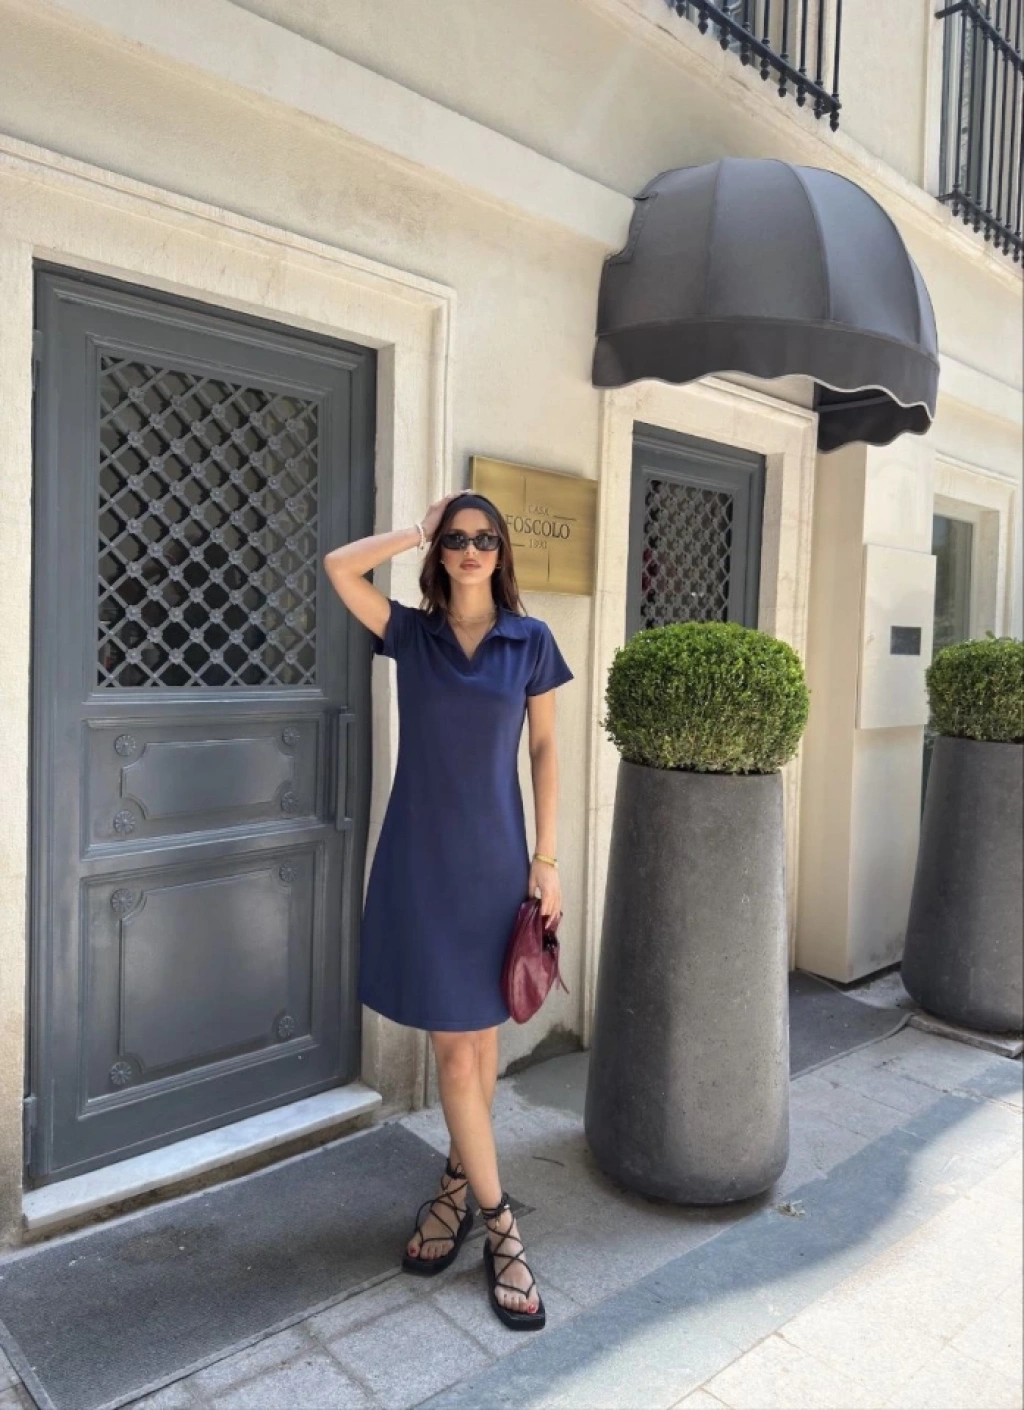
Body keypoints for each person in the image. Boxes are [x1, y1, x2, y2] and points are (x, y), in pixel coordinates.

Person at [323, 490, 573, 1332]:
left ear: (502, 553)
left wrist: (546, 859)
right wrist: (414, 528)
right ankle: (502, 1227)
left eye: (485, 539)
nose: (470, 549)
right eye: (457, 538)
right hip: (421, 862)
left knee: (481, 1044)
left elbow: (545, 748)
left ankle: (460, 1191)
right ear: (441, 551)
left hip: (498, 863)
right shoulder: (411, 634)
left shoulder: (530, 641)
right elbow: (338, 568)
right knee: (456, 1051)